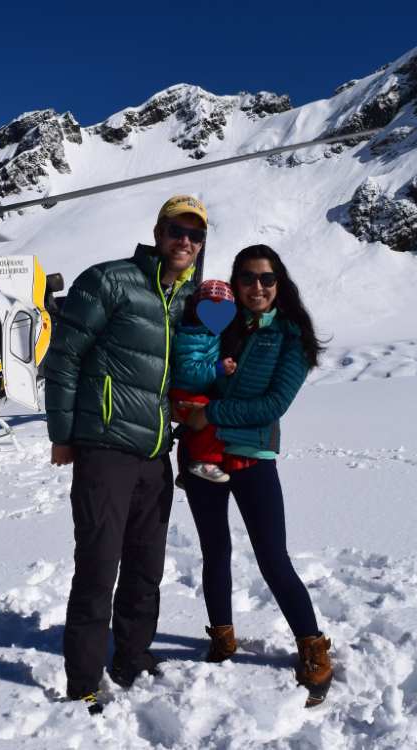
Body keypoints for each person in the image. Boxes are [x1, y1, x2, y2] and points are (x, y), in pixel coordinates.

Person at [43, 194, 204, 713]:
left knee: (145, 566)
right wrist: (63, 434)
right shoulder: (109, 280)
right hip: (105, 447)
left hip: (156, 451)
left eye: (194, 233)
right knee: (97, 565)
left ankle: (132, 655)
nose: (184, 240)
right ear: (157, 232)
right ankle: (83, 677)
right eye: (176, 230)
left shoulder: (191, 299)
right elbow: (63, 359)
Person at [175, 243, 334, 708]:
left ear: (279, 283)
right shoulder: (220, 324)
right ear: (236, 282)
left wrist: (210, 416)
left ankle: (312, 646)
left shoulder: (290, 336)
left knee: (272, 557)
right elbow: (192, 369)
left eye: (266, 278)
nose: (256, 287)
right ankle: (222, 637)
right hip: (201, 455)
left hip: (250, 457)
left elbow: (272, 405)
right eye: (247, 278)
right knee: (214, 551)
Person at [169, 279, 238, 484]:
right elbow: (188, 370)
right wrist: (218, 369)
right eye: (209, 307)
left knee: (193, 430)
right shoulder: (190, 335)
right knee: (210, 416)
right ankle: (205, 462)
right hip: (184, 392)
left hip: (195, 391)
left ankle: (186, 472)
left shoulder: (209, 333)